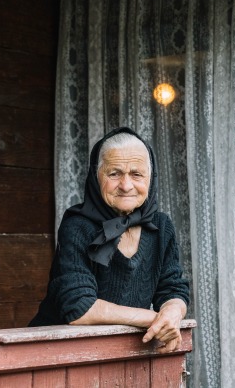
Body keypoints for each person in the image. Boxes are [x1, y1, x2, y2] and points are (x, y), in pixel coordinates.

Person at [30, 127, 190, 353]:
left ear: (151, 178)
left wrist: (172, 313)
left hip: (123, 353)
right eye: (114, 174)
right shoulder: (78, 225)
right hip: (60, 354)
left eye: (137, 174)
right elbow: (78, 307)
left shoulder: (161, 226)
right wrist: (155, 319)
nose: (126, 185)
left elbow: (172, 287)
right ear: (96, 177)